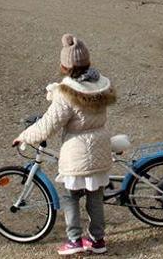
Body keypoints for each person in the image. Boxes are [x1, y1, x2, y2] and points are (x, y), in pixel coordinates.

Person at [13, 35, 116, 256]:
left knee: (70, 197)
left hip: (78, 152)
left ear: (65, 66)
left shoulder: (66, 94)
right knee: (95, 199)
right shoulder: (100, 86)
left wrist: (24, 136)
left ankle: (74, 240)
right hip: (100, 148)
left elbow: (49, 125)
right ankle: (98, 241)